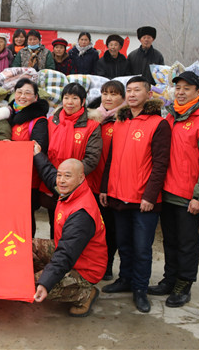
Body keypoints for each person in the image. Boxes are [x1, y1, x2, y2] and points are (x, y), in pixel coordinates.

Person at [146, 71, 199, 308]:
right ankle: (170, 278)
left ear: (198, 92)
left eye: (187, 88)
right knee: (169, 239)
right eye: (178, 88)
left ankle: (184, 283)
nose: (181, 92)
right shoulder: (171, 116)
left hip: (188, 194)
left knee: (187, 242)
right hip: (166, 191)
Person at [100, 76, 171, 313]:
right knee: (124, 243)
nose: (131, 94)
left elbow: (160, 164)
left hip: (143, 199)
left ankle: (140, 289)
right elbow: (111, 158)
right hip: (118, 194)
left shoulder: (158, 124)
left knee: (142, 248)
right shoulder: (120, 121)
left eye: (136, 90)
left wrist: (150, 196)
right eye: (129, 90)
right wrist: (105, 188)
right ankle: (125, 279)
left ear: (148, 95)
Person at [32, 159, 107, 317]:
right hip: (71, 253)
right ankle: (45, 274)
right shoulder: (68, 190)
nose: (61, 180)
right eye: (59, 175)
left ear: (81, 178)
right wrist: (38, 155)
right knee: (28, 247)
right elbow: (50, 175)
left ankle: (86, 293)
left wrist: (44, 283)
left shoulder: (81, 214)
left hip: (85, 268)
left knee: (32, 285)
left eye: (67, 176)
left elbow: (65, 254)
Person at [45, 83, 102, 238]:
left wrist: (70, 179)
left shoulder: (92, 126)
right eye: (66, 98)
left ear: (83, 101)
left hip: (79, 187)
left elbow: (92, 159)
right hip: (54, 184)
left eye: (75, 98)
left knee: (74, 230)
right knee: (54, 226)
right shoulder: (52, 122)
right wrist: (56, 179)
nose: (69, 102)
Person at [85, 80, 127, 281]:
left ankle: (107, 265)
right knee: (91, 227)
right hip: (91, 181)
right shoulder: (93, 118)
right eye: (105, 93)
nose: (108, 98)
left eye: (114, 94)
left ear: (122, 97)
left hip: (112, 184)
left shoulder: (124, 120)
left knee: (110, 228)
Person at [8, 78, 50, 237]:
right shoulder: (11, 115)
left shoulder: (39, 121)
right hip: (10, 177)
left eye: (27, 93)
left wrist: (9, 147)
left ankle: (27, 248)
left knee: (25, 218)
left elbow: (37, 148)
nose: (22, 96)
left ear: (35, 97)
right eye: (19, 92)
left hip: (29, 179)